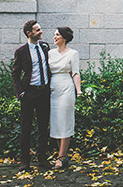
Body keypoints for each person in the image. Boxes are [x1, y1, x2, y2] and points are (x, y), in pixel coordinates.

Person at [11, 20, 51, 172]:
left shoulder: (45, 46)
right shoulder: (21, 51)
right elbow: (15, 74)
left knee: (43, 127)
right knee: (26, 128)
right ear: (29, 33)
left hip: (44, 93)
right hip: (29, 93)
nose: (41, 32)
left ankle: (42, 159)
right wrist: (21, 92)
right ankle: (25, 162)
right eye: (37, 30)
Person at [49, 26, 81, 170]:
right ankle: (63, 156)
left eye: (57, 35)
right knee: (56, 123)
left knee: (65, 121)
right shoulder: (50, 53)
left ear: (65, 38)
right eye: (54, 35)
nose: (55, 37)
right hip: (52, 89)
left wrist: (78, 90)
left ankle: (61, 157)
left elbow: (75, 73)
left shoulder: (73, 54)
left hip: (66, 89)